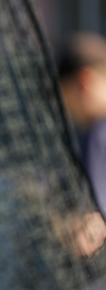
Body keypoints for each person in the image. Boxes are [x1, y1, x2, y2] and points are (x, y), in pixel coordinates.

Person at [58, 32, 106, 217]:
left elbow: (93, 226)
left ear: (84, 82)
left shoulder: (99, 134)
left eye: (67, 102)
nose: (70, 114)